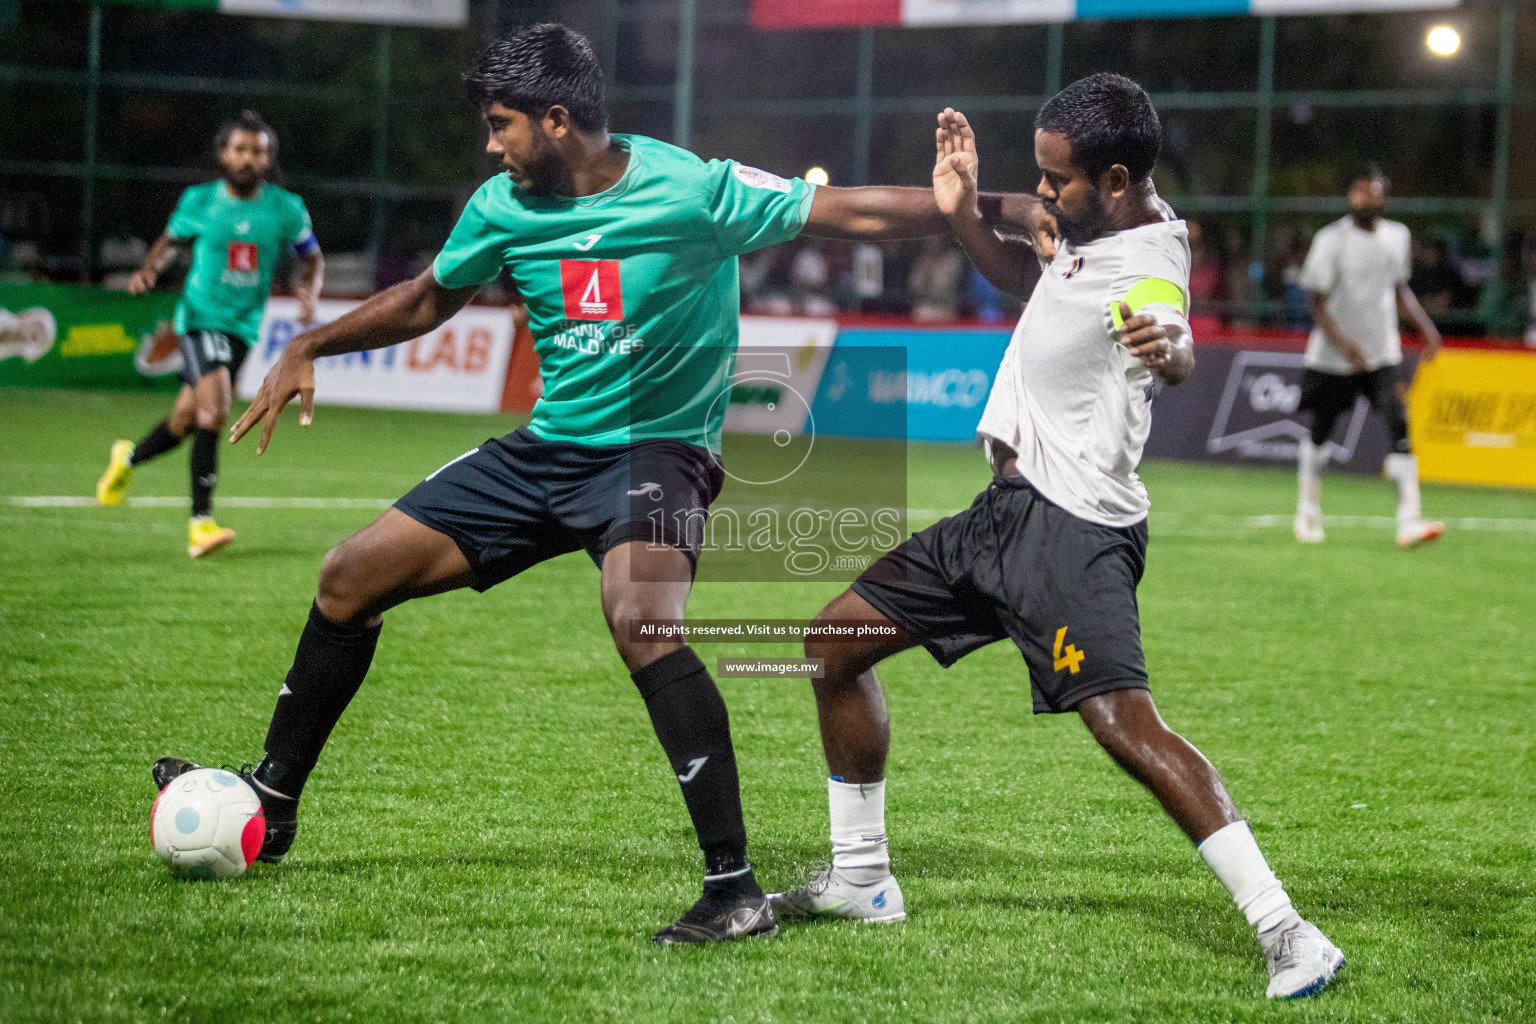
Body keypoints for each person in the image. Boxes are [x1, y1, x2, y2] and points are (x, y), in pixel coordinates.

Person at [149, 24, 1052, 945]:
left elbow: (847, 212)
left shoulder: (692, 188)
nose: (490, 145)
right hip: (547, 451)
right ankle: (275, 798)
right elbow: (429, 297)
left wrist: (1008, 207)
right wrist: (309, 343)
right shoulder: (502, 204)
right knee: (346, 578)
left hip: (659, 452)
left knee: (639, 620)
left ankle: (733, 887)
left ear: (556, 119)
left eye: (501, 125)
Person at [773, 76, 1345, 1002]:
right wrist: (962, 210)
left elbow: (1175, 332)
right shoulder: (1089, 232)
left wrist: (1174, 347)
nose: (1040, 194)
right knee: (834, 642)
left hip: (1073, 530)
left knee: (1124, 725)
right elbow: (1023, 277)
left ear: (1115, 179)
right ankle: (862, 879)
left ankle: (1289, 933)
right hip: (1000, 516)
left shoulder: (1149, 259)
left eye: (1054, 181)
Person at [96, 111, 323, 557]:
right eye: (239, 149)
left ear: (268, 158)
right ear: (222, 154)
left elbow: (312, 258)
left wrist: (309, 293)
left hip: (243, 327)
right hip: (200, 318)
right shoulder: (200, 201)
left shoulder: (285, 207)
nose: (247, 159)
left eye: (257, 151)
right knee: (216, 410)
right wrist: (149, 270)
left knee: (184, 419)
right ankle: (201, 523)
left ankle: (127, 459)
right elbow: (170, 242)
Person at [1294, 164, 1443, 548]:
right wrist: (1344, 345)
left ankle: (1409, 520)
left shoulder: (1397, 236)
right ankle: (1308, 513)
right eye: (1359, 191)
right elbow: (1315, 301)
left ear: (1384, 196)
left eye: (1373, 191)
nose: (1365, 198)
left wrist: (1424, 328)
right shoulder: (1332, 239)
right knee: (1322, 431)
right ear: (1349, 196)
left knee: (1399, 425)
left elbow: (1398, 289)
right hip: (1333, 356)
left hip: (1381, 352)